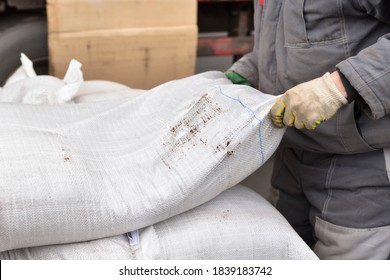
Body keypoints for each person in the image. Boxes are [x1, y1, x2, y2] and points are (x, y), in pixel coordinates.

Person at [226, 0, 390, 259]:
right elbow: (283, 40)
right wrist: (250, 70)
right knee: (282, 257)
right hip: (291, 155)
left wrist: (338, 87)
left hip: (359, 167)